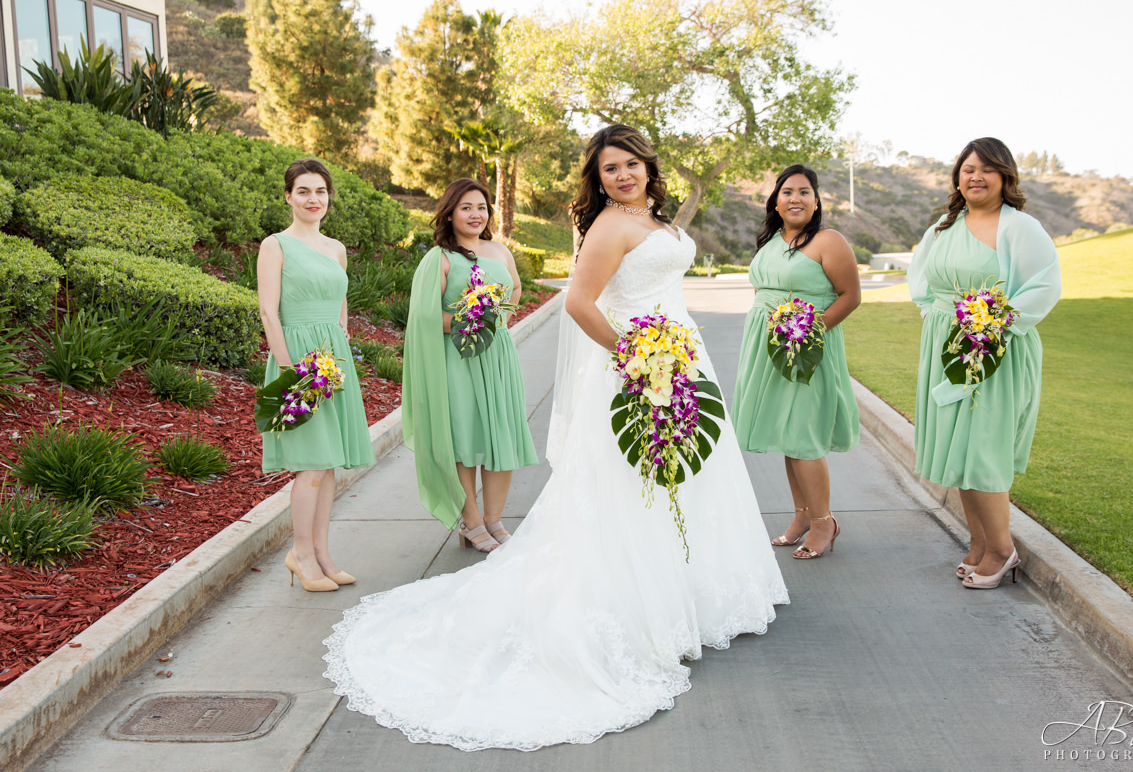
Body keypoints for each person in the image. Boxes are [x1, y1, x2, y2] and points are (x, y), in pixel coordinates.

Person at [323, 125, 787, 750]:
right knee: (635, 481)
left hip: (682, 357)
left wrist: (671, 355)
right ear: (597, 181)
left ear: (650, 166)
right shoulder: (607, 228)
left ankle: (692, 594)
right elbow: (580, 303)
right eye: (609, 169)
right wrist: (637, 356)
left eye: (630, 164)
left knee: (690, 472)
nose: (622, 175)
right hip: (638, 363)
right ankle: (641, 605)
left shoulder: (660, 222)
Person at [908, 137, 1061, 589]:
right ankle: (978, 542)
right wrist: (938, 320)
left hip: (994, 349)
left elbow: (1043, 285)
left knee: (982, 449)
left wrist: (991, 326)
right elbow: (924, 282)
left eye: (987, 169)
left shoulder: (1019, 227)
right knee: (959, 447)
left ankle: (1001, 548)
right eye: (968, 168)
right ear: (958, 176)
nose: (975, 176)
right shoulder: (944, 224)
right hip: (946, 346)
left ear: (1005, 177)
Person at [731, 165, 861, 559]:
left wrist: (809, 330)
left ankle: (825, 522)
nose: (795, 198)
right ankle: (802, 515)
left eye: (805, 192)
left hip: (807, 349)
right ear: (776, 200)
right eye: (787, 192)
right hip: (767, 348)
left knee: (803, 435)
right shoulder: (770, 241)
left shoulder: (828, 241)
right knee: (789, 435)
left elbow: (849, 296)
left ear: (816, 201)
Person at [257, 158, 375, 592]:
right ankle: (300, 554)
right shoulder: (276, 245)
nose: (313, 199)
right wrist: (290, 371)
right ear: (288, 196)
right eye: (303, 191)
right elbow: (269, 311)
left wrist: (338, 345)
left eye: (320, 191)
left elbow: (341, 303)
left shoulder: (336, 248)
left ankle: (322, 553)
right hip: (296, 361)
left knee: (327, 467)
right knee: (309, 467)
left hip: (331, 360)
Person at [401, 178, 537, 551]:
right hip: (458, 359)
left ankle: (494, 520)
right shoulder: (440, 258)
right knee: (465, 440)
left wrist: (495, 317)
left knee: (500, 437)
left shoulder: (500, 251)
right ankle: (471, 521)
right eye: (466, 207)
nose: (476, 214)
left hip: (497, 358)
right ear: (449, 212)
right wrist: (471, 320)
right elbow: (426, 318)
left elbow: (516, 292)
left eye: (481, 207)